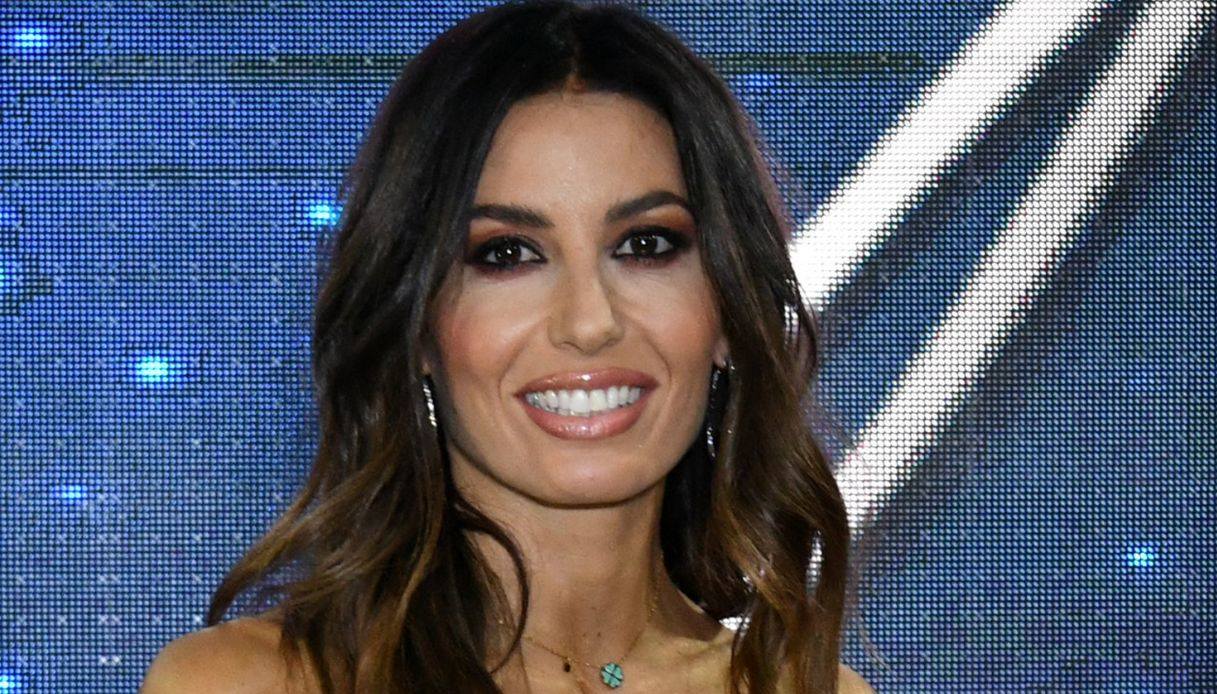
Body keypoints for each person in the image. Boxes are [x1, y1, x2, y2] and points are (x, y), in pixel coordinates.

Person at [141, 1, 873, 692]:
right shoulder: (248, 681)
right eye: (507, 254)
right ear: (416, 326)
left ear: (727, 312)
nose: (590, 322)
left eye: (646, 245)